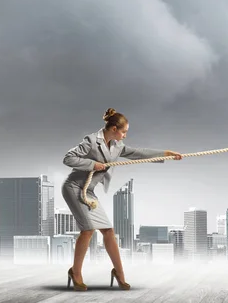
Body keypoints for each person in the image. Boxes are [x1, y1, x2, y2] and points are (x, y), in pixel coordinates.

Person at [61, 108, 181, 291]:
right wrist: (93, 164)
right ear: (114, 129)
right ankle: (75, 273)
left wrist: (166, 154)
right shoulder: (91, 141)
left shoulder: (117, 146)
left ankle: (119, 273)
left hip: (89, 191)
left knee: (108, 231)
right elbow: (68, 158)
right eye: (124, 131)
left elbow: (139, 153)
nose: (125, 135)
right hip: (74, 188)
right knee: (88, 230)